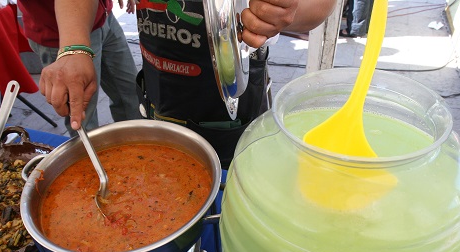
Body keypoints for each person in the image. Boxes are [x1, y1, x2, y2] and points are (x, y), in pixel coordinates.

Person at [38, 0, 337, 168]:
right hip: (160, 88)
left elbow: (320, 5)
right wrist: (74, 46)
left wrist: (289, 11)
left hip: (233, 105)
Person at [17, 0, 141, 135]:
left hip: (104, 17)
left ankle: (139, 147)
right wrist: (74, 47)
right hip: (59, 34)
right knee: (82, 118)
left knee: (132, 94)